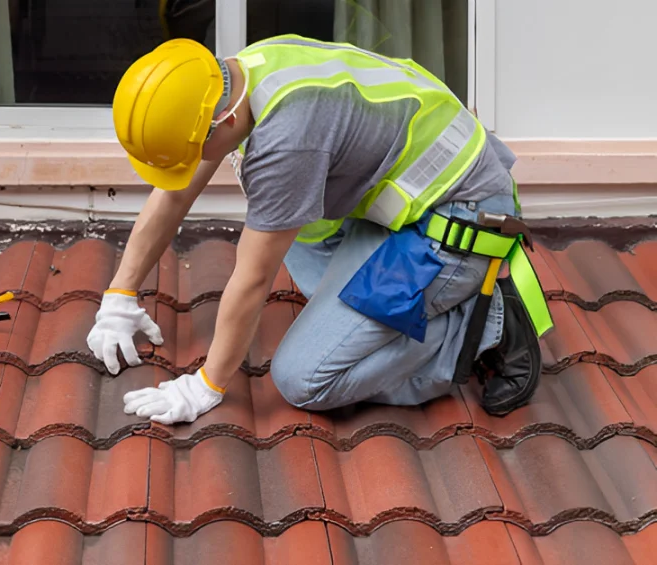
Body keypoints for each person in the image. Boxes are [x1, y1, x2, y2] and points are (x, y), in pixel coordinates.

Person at [86, 35, 553, 425]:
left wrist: (206, 385)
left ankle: (482, 327)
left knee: (304, 379)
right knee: (296, 230)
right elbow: (174, 194)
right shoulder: (242, 72)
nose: (195, 167)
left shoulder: (288, 140)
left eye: (195, 151)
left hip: (459, 222)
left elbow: (251, 279)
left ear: (221, 122)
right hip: (413, 202)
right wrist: (120, 295)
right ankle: (401, 309)